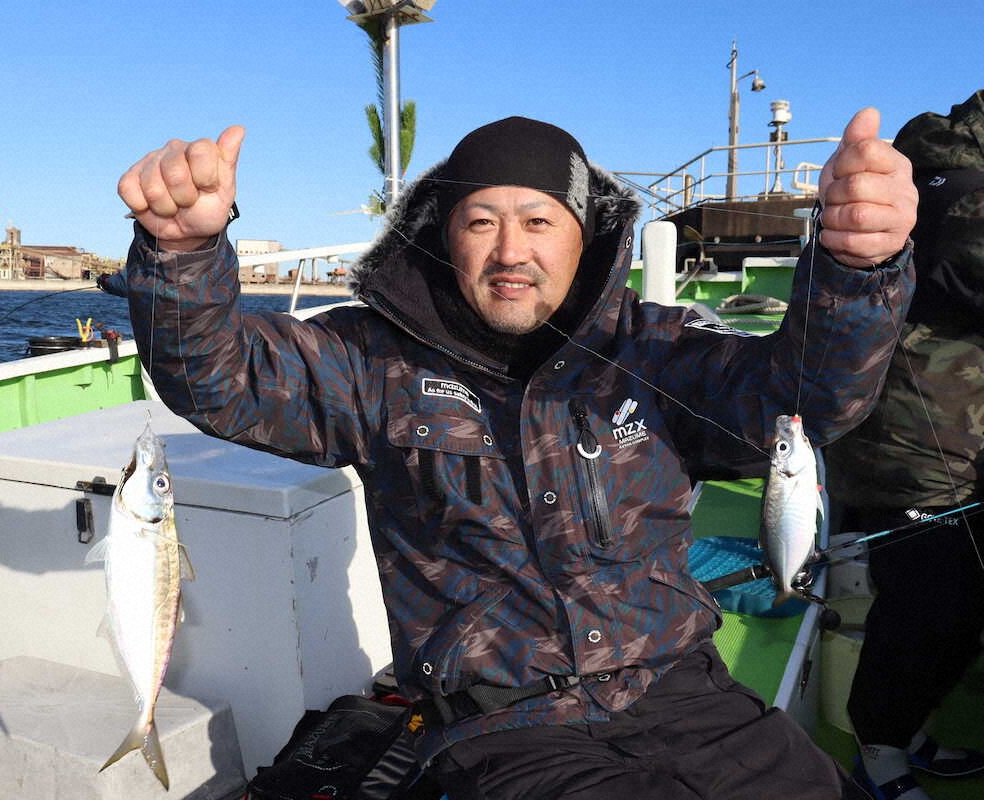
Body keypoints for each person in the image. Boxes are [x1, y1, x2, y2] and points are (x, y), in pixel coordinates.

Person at [118, 109, 916, 799]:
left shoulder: (656, 350)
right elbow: (222, 379)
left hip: (688, 694)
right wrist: (182, 256)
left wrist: (855, 268)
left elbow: (806, 403)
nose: (510, 251)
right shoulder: (369, 362)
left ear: (585, 237)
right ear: (443, 237)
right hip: (508, 729)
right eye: (480, 221)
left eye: (538, 221)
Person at [825, 90, 984, 800]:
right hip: (922, 448)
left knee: (939, 606)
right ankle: (879, 749)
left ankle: (901, 726)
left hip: (948, 437)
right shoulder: (959, 173)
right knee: (933, 607)